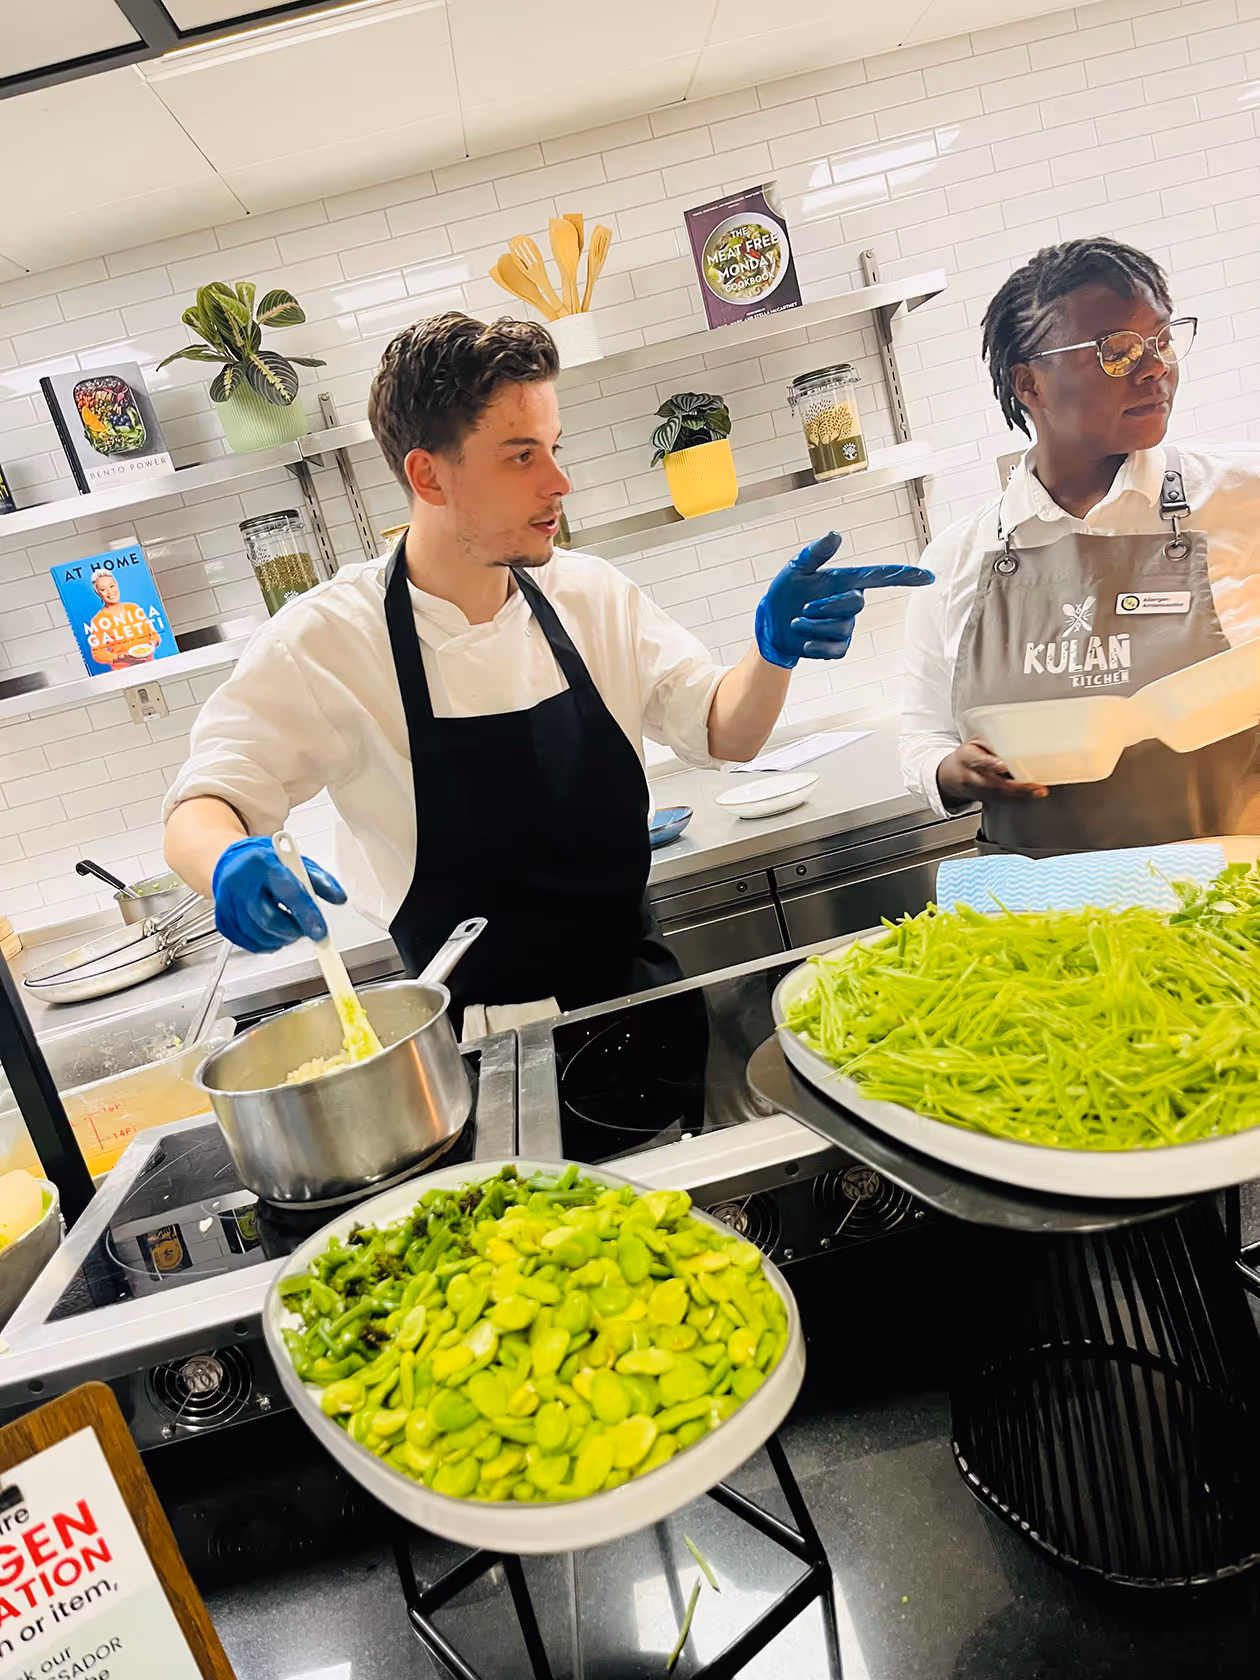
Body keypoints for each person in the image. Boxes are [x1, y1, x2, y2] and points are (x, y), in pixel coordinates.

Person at [164, 312, 930, 1019]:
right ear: (429, 476)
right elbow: (202, 806)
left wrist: (770, 656)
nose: (558, 482)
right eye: (521, 456)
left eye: (553, 449)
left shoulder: (592, 595)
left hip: (647, 1009)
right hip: (482, 1056)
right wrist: (229, 858)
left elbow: (724, 733)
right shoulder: (327, 641)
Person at [899, 237, 1260, 856]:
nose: (1154, 368)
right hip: (1043, 922)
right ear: (1028, 383)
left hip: (1227, 908)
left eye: (1162, 341)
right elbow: (922, 735)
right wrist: (950, 773)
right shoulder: (958, 558)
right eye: (1116, 351)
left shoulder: (1243, 499)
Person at [87, 569, 161, 671]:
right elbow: (98, 653)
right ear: (98, 593)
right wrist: (120, 657)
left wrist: (152, 643)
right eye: (103, 589)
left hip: (149, 665)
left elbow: (153, 635)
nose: (110, 592)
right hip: (124, 671)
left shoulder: (133, 608)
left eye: (112, 586)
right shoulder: (98, 621)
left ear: (117, 586)